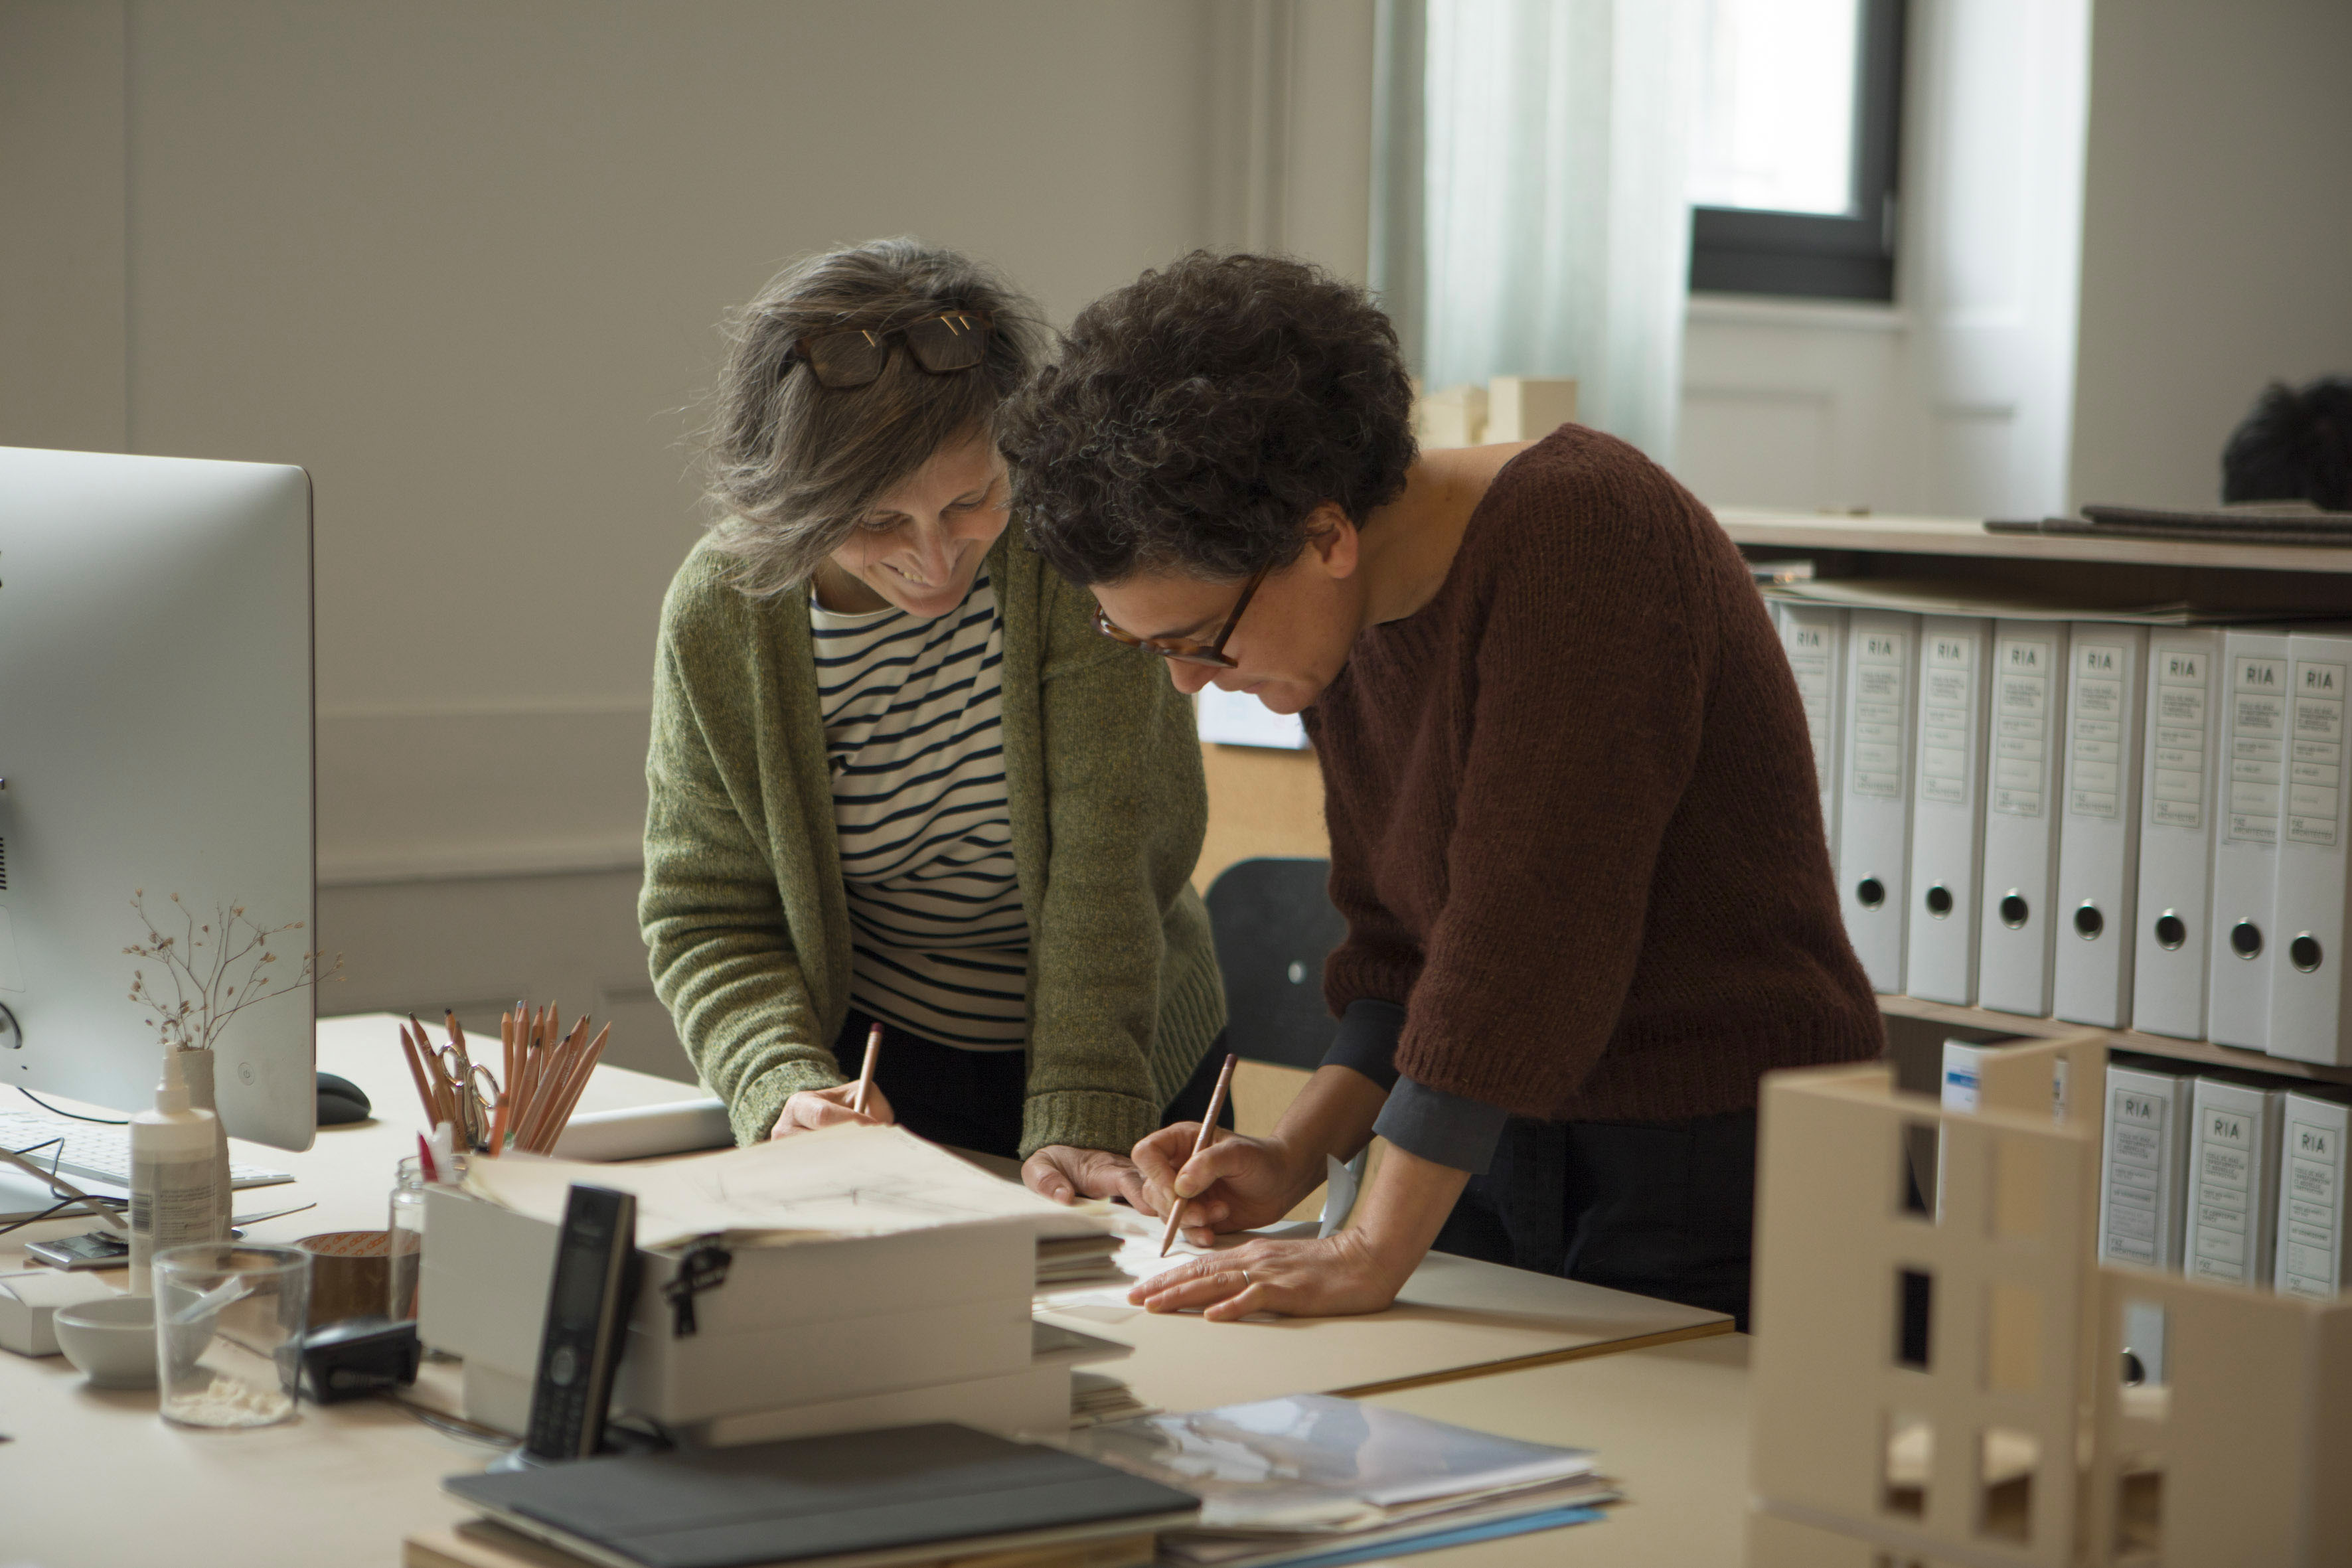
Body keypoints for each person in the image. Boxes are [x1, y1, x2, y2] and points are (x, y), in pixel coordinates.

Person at [1002, 252, 1883, 1326]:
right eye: (1147, 644)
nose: (1187, 680)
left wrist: (1372, 1241)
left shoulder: (1588, 531)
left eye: (1198, 640)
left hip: (1714, 1166)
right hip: (1491, 1150)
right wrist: (1293, 1152)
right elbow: (1398, 959)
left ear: (1324, 536)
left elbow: (1523, 950)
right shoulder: (1343, 623)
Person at [640, 240, 1228, 1207]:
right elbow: (708, 913)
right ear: (791, 502)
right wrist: (786, 1085)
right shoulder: (723, 613)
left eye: (970, 500)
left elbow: (1107, 863)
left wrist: (1083, 1107)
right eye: (875, 521)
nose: (935, 560)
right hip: (878, 1082)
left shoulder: (1069, 558)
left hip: (1121, 1052)